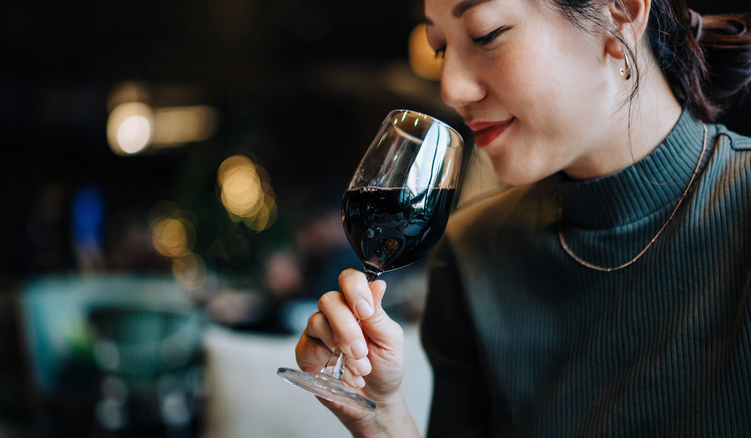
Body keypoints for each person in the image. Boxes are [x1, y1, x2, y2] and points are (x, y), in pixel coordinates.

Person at [293, 0, 751, 435]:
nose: (450, 88)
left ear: (620, 13)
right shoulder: (474, 250)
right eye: (441, 48)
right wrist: (381, 417)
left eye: (486, 34)